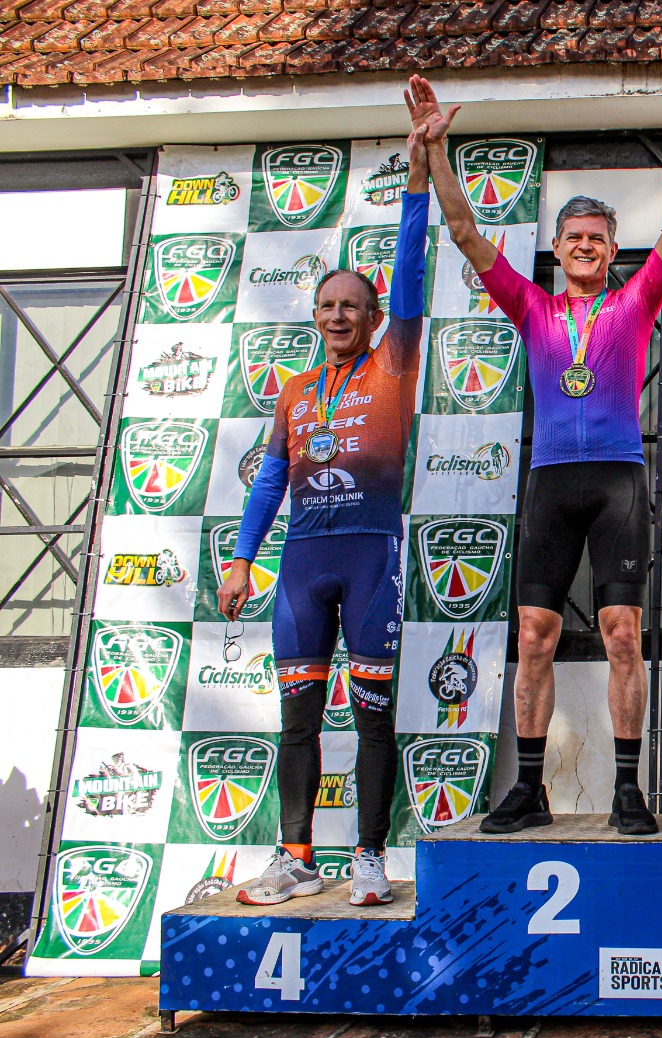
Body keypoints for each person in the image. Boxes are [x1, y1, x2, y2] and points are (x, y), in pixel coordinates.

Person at [405, 64, 662, 835]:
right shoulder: (532, 306)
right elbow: (465, 233)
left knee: (622, 636)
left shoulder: (635, 302)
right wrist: (436, 151)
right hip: (550, 481)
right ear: (556, 248)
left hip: (617, 482)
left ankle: (626, 791)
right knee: (535, 637)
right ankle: (529, 790)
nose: (585, 246)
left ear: (612, 252)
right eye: (573, 237)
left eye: (597, 239)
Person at [220, 110, 434, 906]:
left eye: (352, 306)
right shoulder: (295, 391)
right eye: (326, 306)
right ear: (314, 317)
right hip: (302, 566)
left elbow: (409, 272)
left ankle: (369, 858)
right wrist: (241, 559)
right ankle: (296, 856)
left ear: (375, 320)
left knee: (373, 719)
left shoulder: (395, 364)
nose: (339, 315)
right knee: (298, 721)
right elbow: (269, 480)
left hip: (370, 557)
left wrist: (418, 174)